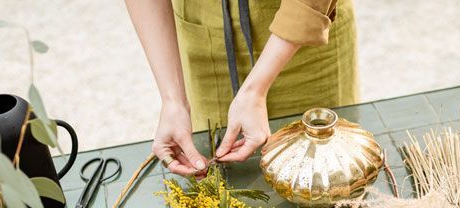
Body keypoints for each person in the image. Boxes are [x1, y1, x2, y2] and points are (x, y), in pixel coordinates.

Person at [124, 0, 359, 176]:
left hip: (306, 29)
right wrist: (173, 100)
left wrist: (255, 90)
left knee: (327, 172)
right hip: (205, 39)